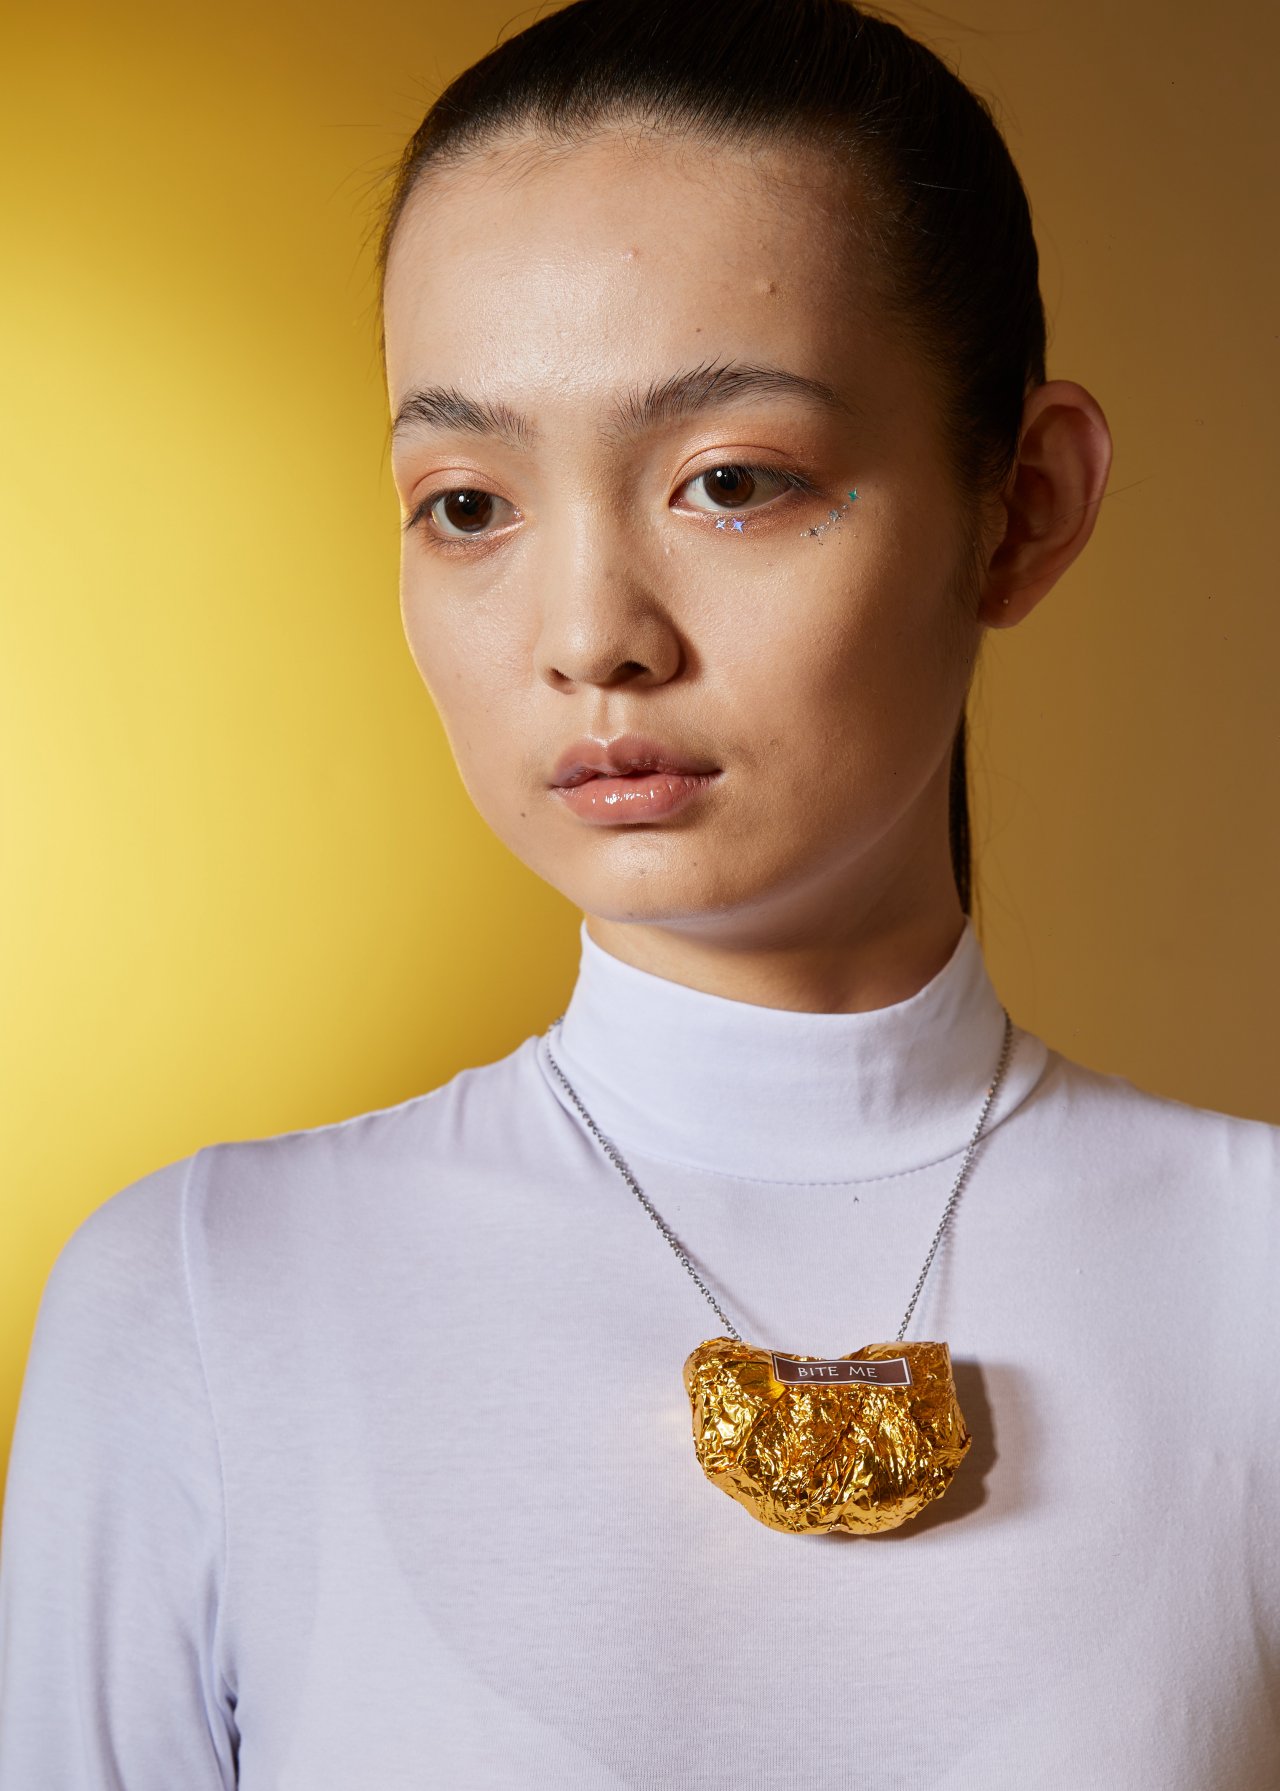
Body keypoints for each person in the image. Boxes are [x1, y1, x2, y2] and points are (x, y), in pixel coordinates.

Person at [1, 0, 1276, 1784]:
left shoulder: (1255, 1278)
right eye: (468, 505)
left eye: (729, 482)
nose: (591, 634)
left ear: (1027, 503)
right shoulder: (202, 1300)